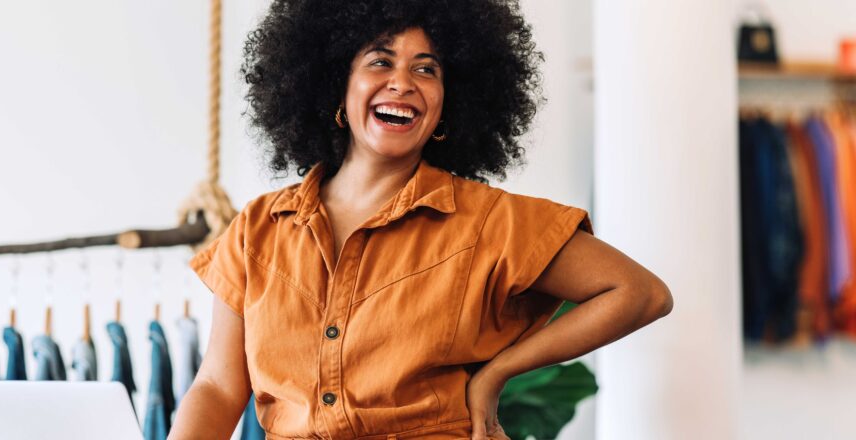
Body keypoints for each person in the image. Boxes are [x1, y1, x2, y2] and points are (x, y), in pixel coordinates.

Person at [170, 0, 673, 438]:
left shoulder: (487, 223)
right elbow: (217, 386)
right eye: (380, 61)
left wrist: (497, 372)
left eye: (426, 69)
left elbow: (639, 293)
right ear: (335, 84)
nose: (402, 83)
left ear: (447, 102)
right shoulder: (258, 228)